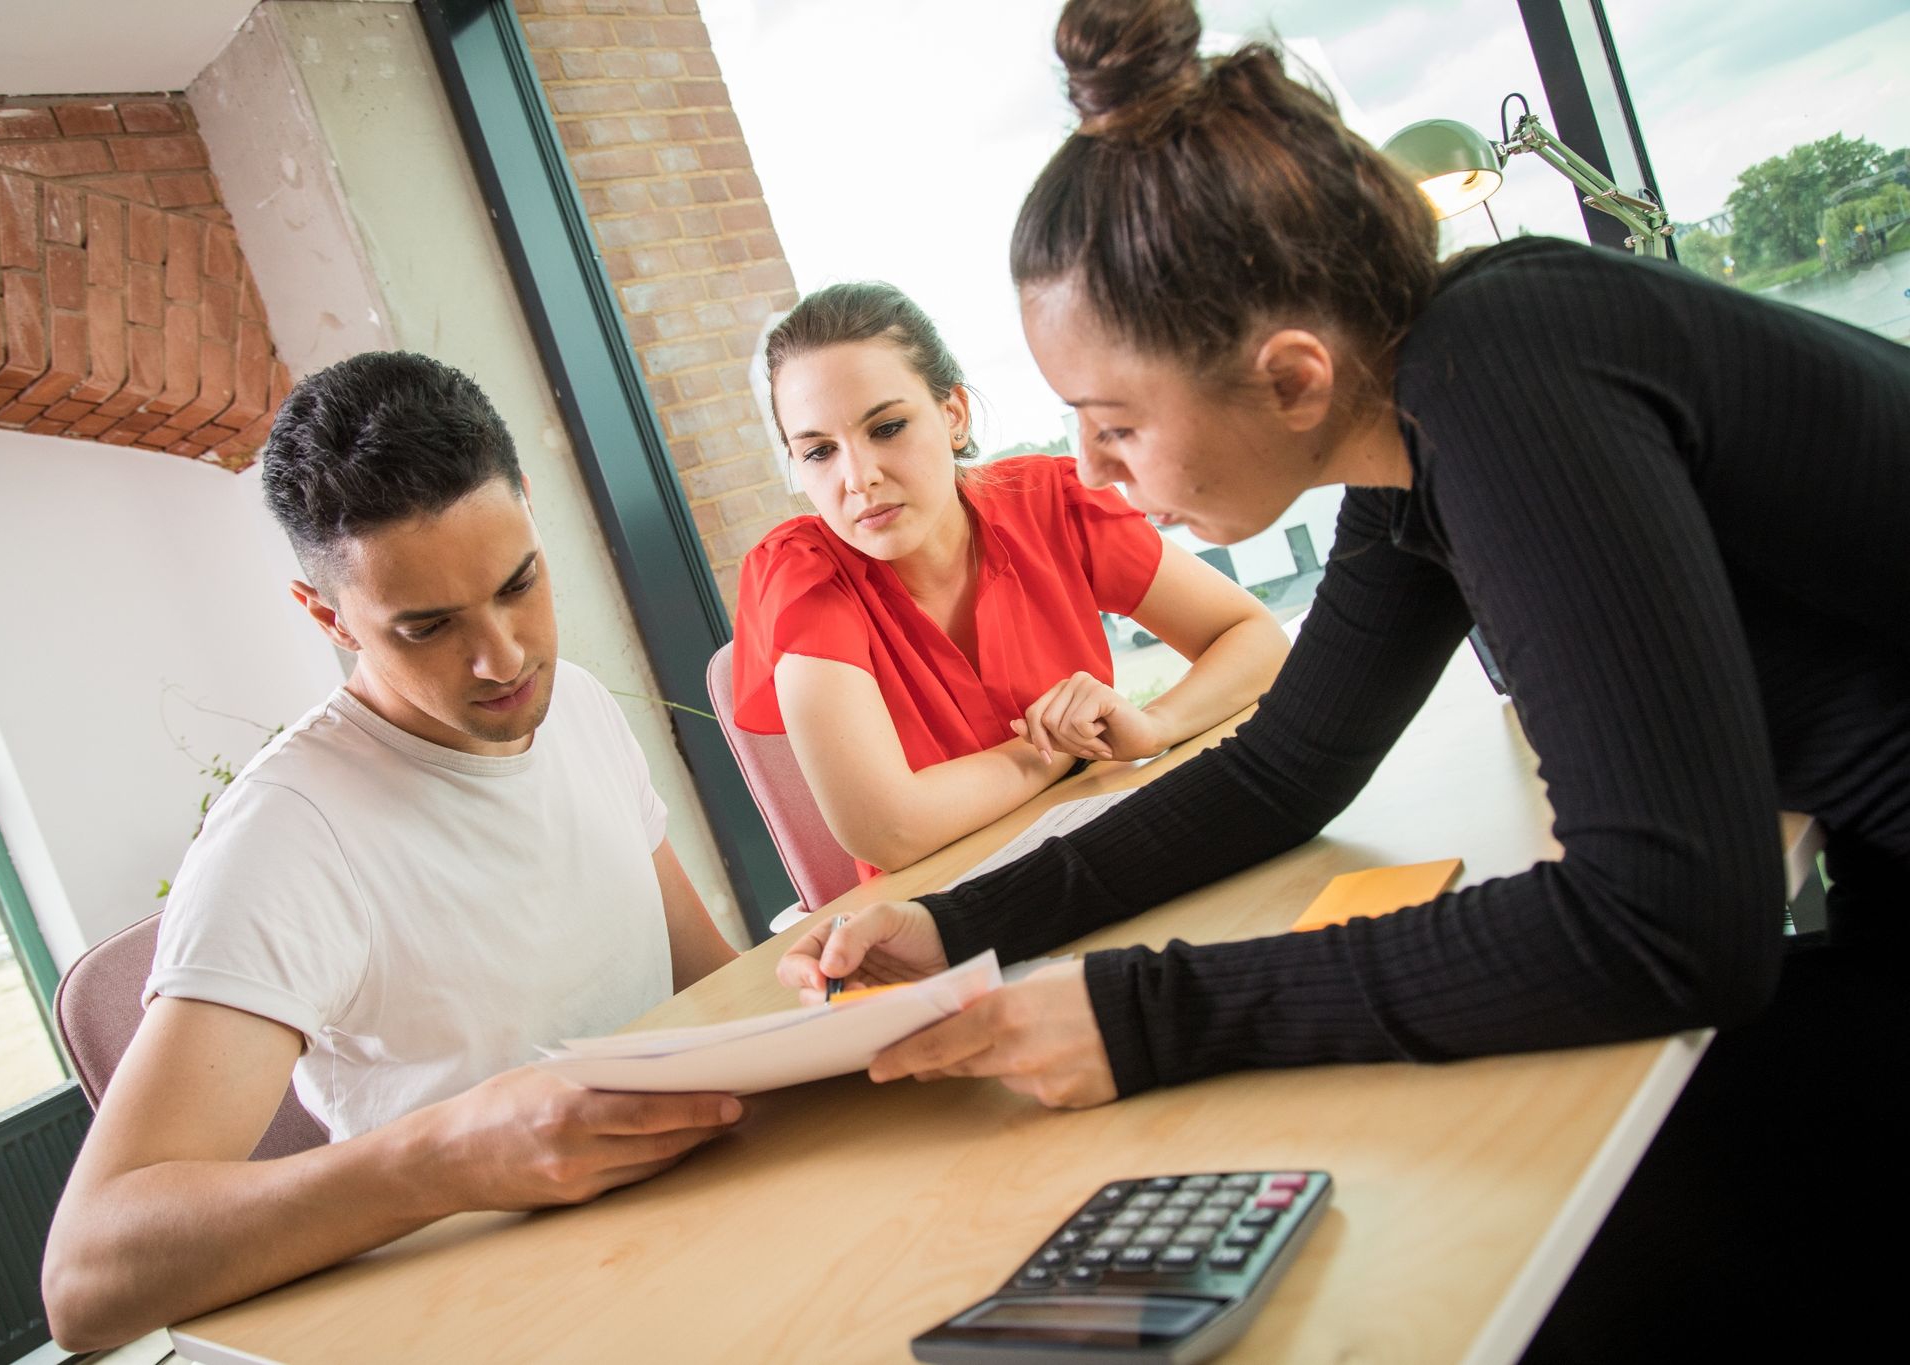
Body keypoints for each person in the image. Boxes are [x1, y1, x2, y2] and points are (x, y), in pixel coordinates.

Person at [779, 0, 1906, 1352]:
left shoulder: (1502, 383)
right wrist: (960, 926)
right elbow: (1287, 766)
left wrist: (1147, 1014)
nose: (1087, 471)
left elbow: (1667, 919)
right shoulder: (1420, 422)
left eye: (1117, 421)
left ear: (1293, 376)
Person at [42, 353, 742, 1350]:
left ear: (532, 515)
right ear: (327, 617)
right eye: (427, 627)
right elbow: (87, 1276)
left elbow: (702, 984)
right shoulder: (287, 838)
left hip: (689, 1236)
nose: (503, 657)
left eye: (519, 583)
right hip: (509, 1319)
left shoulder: (572, 703)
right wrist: (448, 1158)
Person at [732, 282, 1286, 877]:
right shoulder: (801, 576)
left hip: (1117, 851)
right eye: (818, 453)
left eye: (887, 427)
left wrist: (1153, 725)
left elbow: (1256, 639)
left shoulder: (1049, 502)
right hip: (951, 915)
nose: (858, 478)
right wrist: (1056, 749)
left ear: (954, 415)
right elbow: (889, 830)